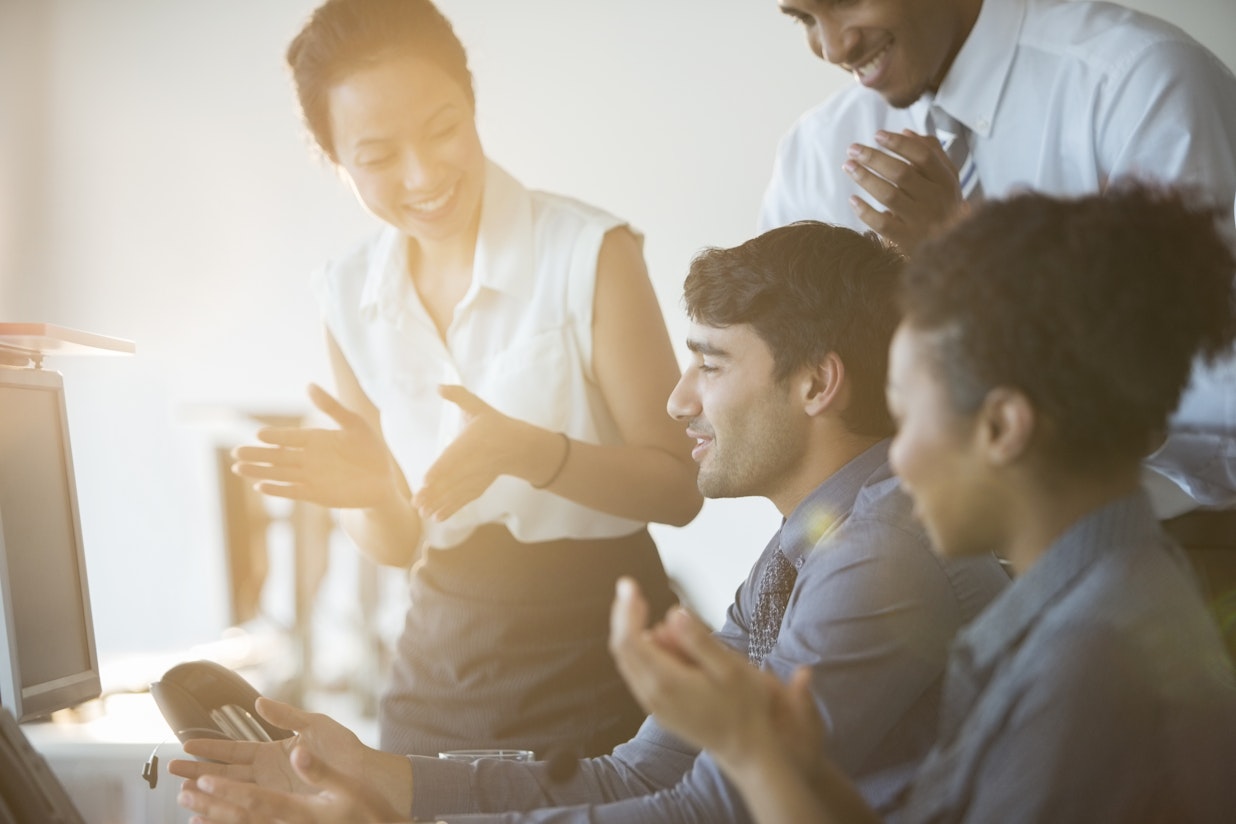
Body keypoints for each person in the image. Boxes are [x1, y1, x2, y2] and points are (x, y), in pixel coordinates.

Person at [171, 222, 1010, 822]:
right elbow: (639, 771)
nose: (678, 401)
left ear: (818, 385)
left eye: (709, 365)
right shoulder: (811, 547)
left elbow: (708, 811)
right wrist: (387, 778)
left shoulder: (882, 558)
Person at [612, 185, 1236, 822]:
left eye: (908, 419)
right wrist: (776, 755)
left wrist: (751, 750)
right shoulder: (1080, 603)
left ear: (1000, 427)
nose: (892, 460)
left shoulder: (1090, 658)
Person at [229, 0, 703, 760]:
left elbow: (680, 487)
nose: (423, 175)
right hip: (439, 669)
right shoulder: (347, 292)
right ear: (335, 160)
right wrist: (373, 495)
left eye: (443, 129)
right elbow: (396, 543)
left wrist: (536, 453)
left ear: (473, 103)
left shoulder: (589, 253)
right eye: (378, 157)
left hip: (606, 650)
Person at [762, 0, 1236, 516]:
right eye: (804, 18)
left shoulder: (1138, 83)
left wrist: (966, 267)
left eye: (846, 0)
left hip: (1174, 554)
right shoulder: (816, 154)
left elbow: (1219, 401)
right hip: (916, 568)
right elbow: (790, 391)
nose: (833, 47)